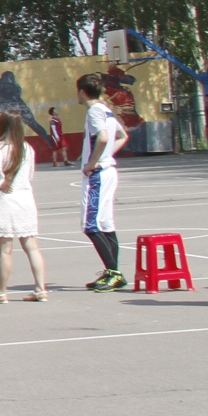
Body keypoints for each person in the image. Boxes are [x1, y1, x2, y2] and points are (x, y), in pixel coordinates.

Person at [0, 116, 49, 303]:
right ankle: (40, 288)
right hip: (25, 198)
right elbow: (30, 174)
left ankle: (1, 293)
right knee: (32, 247)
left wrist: (0, 181)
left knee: (5, 250)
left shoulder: (0, 147)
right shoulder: (27, 148)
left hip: (6, 200)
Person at [79, 75, 128, 291]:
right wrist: (106, 156)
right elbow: (123, 136)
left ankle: (114, 273)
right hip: (107, 170)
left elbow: (104, 137)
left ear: (82, 92)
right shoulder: (107, 110)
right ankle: (112, 272)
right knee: (105, 224)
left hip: (98, 174)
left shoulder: (94, 111)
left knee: (90, 225)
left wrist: (93, 162)